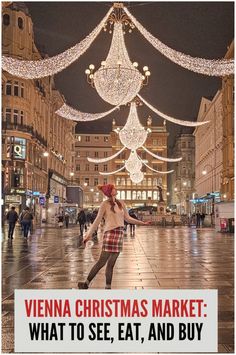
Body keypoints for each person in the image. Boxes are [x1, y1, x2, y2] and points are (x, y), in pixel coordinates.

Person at [78, 184, 150, 290]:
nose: (116, 189)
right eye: (113, 188)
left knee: (111, 264)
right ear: (110, 191)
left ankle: (108, 288)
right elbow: (97, 220)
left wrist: (142, 223)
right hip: (110, 233)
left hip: (119, 234)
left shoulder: (121, 203)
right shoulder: (104, 204)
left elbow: (128, 218)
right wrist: (88, 235)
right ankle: (86, 283)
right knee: (101, 262)